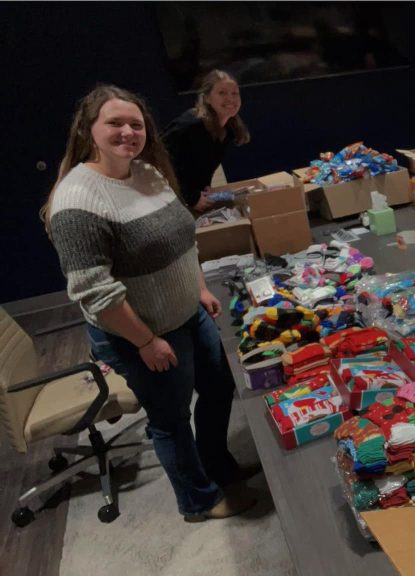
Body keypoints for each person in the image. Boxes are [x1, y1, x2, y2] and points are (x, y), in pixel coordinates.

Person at [43, 84, 256, 522]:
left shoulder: (149, 172)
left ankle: (216, 464)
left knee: (219, 389)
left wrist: (196, 287)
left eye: (136, 124)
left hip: (189, 313)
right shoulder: (77, 200)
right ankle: (198, 500)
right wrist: (145, 341)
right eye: (115, 123)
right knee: (171, 420)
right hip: (144, 335)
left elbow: (182, 237)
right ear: (89, 129)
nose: (127, 132)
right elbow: (94, 292)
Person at [163, 69, 251, 214]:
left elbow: (196, 166)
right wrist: (191, 197)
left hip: (195, 200)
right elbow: (162, 164)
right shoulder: (189, 125)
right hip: (169, 203)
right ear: (207, 98)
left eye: (234, 93)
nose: (230, 99)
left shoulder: (229, 128)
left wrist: (203, 190)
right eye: (222, 93)